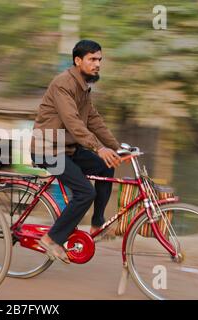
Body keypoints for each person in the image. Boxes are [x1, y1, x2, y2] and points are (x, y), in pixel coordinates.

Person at [31, 40, 122, 263]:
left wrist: (117, 148)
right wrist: (98, 147)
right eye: (92, 59)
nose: (97, 64)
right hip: (47, 150)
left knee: (105, 166)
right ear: (78, 60)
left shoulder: (83, 87)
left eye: (99, 59)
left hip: (67, 149)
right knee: (85, 193)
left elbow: (94, 120)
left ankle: (96, 224)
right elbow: (73, 122)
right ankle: (52, 239)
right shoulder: (63, 84)